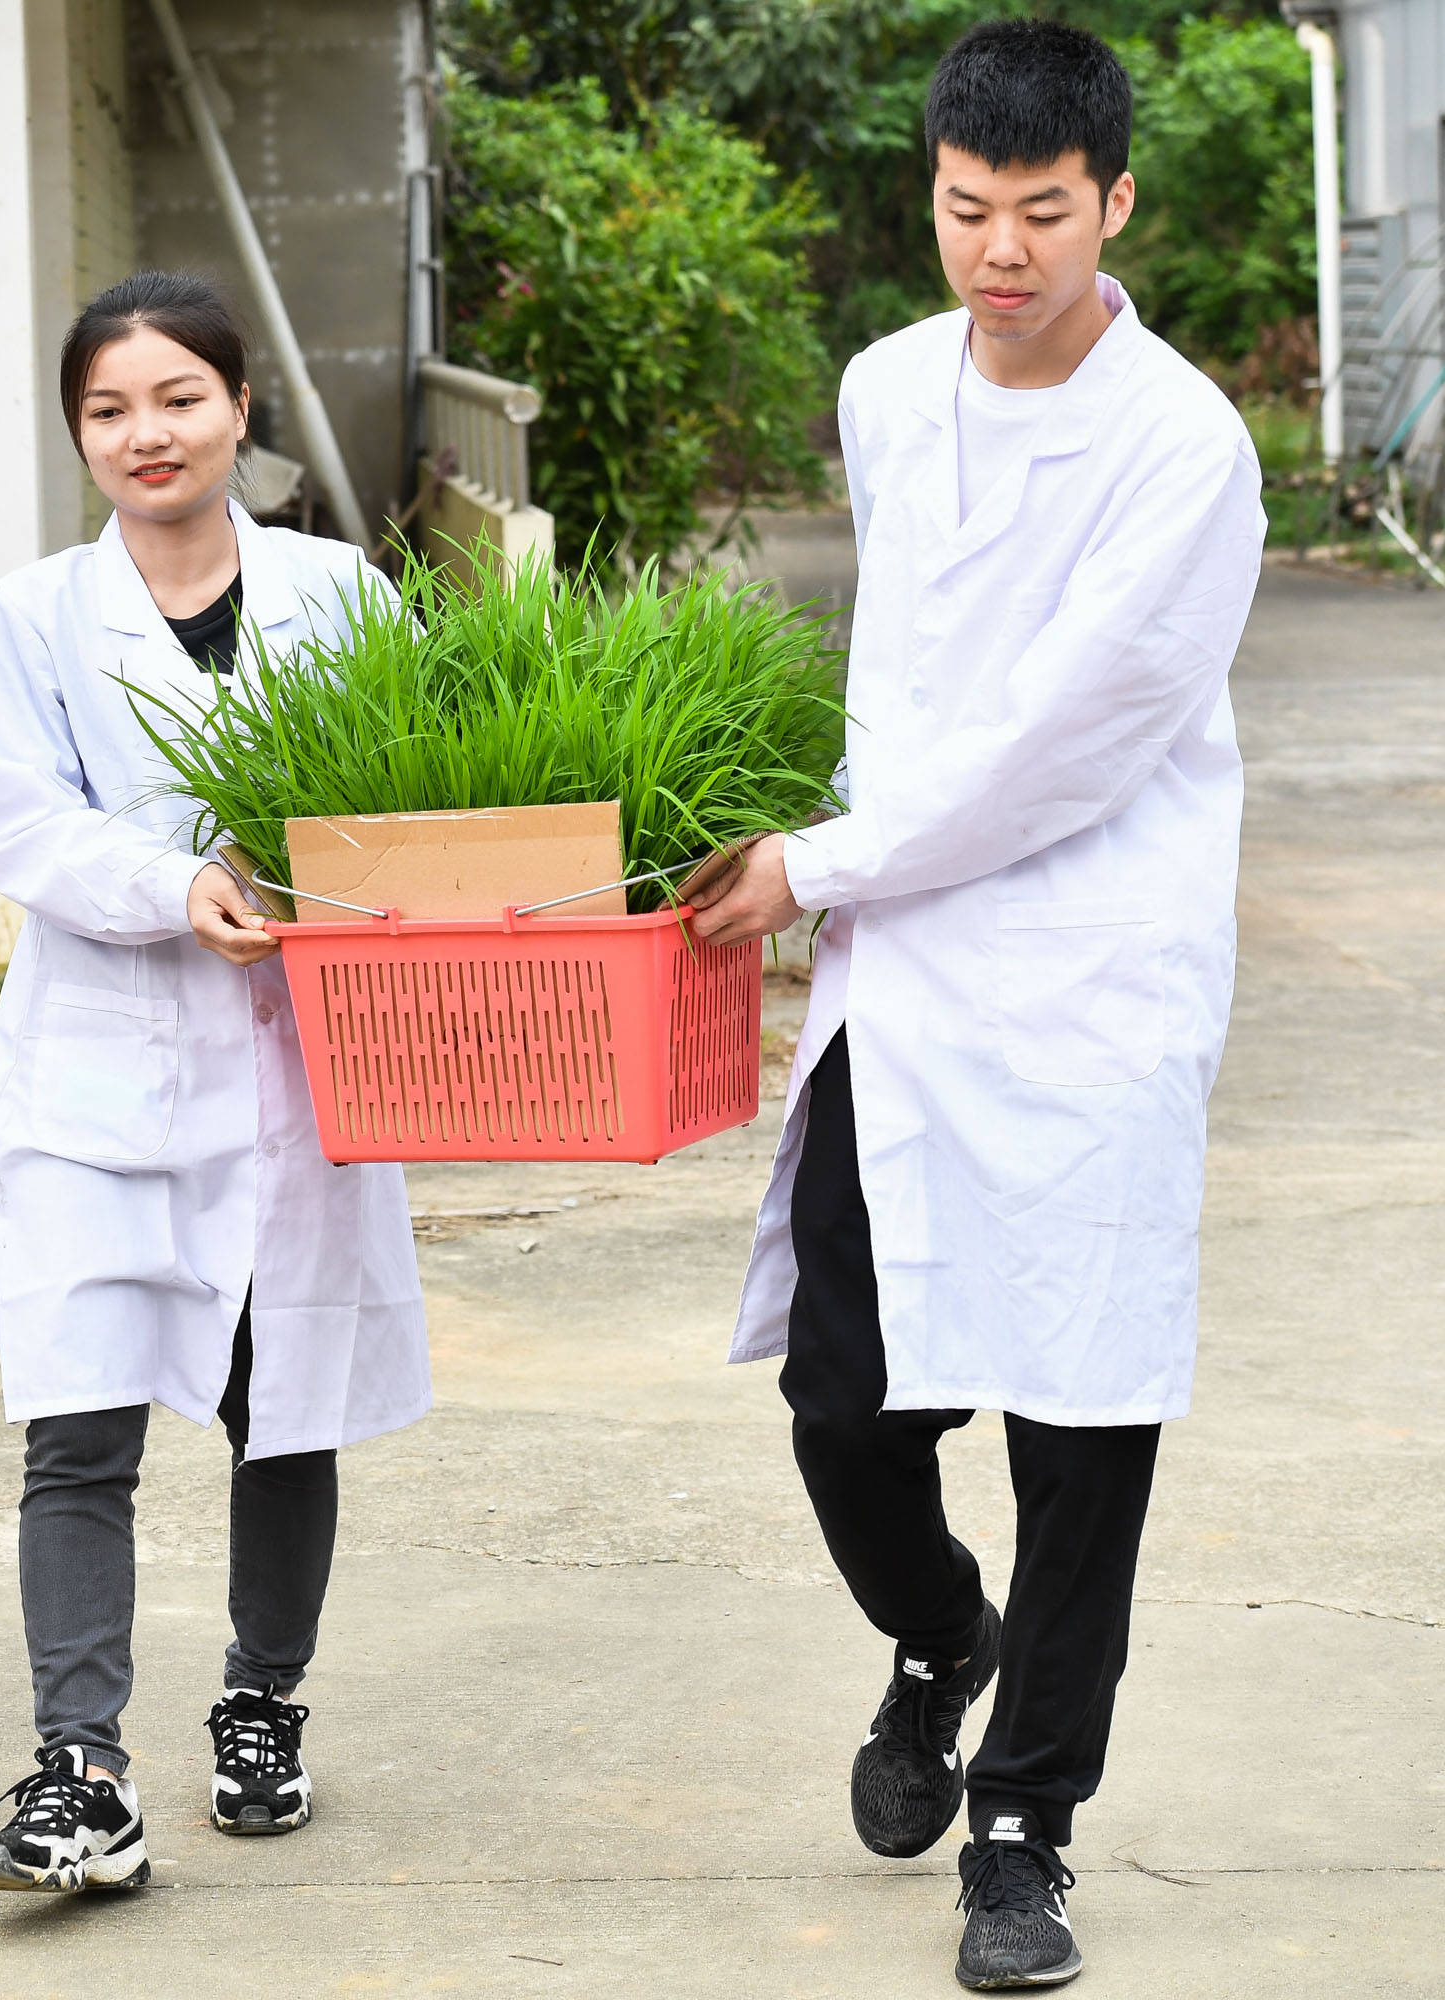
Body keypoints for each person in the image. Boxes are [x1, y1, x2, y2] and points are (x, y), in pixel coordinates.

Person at [688, 22, 1263, 1991]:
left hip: (1096, 972)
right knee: (846, 1401)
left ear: (1116, 204)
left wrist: (814, 862)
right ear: (926, 194)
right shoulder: (882, 388)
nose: (999, 251)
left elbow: (1061, 750)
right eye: (963, 210)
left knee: (1083, 1421)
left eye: (1040, 214)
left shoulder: (1185, 447)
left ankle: (1023, 1823)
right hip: (910, 976)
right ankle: (942, 1632)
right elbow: (908, 677)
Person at [0, 272, 431, 1894]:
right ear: (76, 431)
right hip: (99, 1072)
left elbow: (407, 800)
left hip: (301, 1075)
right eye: (107, 408)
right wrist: (177, 889)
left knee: (281, 1410)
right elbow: (17, 821)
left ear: (240, 411)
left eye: (177, 398)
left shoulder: (344, 593)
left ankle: (261, 1706)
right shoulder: (30, 619)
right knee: (74, 1428)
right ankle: (78, 1770)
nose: (144, 433)